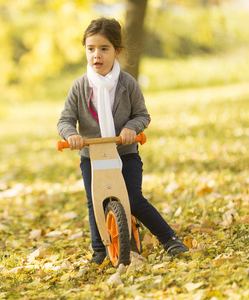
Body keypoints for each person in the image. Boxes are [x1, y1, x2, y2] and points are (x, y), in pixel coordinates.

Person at [57, 17, 188, 265]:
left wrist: (131, 127)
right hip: (92, 157)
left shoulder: (127, 84)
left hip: (125, 153)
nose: (97, 55)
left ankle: (168, 238)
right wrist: (71, 135)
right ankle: (99, 251)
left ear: (117, 51)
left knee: (133, 198)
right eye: (91, 48)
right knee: (95, 201)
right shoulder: (80, 87)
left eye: (104, 49)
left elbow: (142, 115)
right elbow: (65, 120)